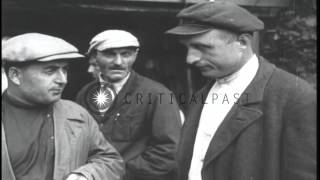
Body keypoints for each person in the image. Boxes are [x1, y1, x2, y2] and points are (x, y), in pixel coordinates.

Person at [166, 1, 316, 180]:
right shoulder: (201, 95)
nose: (190, 59)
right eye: (188, 48)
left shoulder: (294, 97)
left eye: (203, 47)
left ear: (242, 43)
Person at [2, 33, 124, 180]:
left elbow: (111, 161)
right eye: (50, 70)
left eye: (64, 69)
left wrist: (85, 175)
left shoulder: (76, 114)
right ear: (15, 75)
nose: (63, 80)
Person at [76, 29, 182, 180]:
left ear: (136, 55)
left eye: (126, 54)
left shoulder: (158, 94)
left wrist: (116, 173)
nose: (119, 62)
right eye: (110, 54)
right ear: (94, 56)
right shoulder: (85, 93)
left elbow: (169, 151)